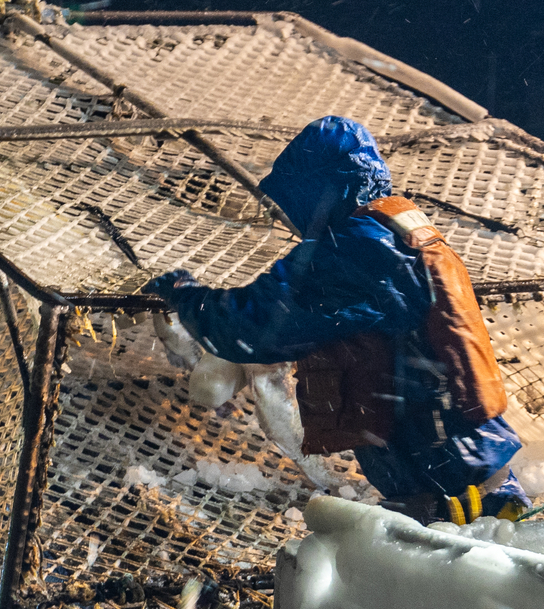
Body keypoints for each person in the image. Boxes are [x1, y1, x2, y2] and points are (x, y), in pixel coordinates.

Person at [147, 115, 522, 521]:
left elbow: (255, 326)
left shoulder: (357, 249)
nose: (295, 214)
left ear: (334, 187)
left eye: (303, 195)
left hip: (448, 484)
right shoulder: (398, 228)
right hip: (466, 466)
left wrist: (184, 295)